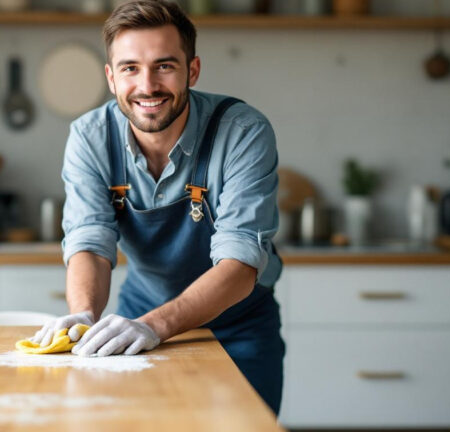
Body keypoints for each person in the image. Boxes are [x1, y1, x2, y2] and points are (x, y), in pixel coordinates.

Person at [29, 0, 285, 414]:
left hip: (238, 327)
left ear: (193, 70)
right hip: (139, 318)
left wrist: (156, 326)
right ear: (111, 78)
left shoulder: (242, 132)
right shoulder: (90, 137)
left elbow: (239, 264)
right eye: (130, 68)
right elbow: (91, 242)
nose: (147, 85)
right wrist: (83, 315)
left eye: (164, 66)